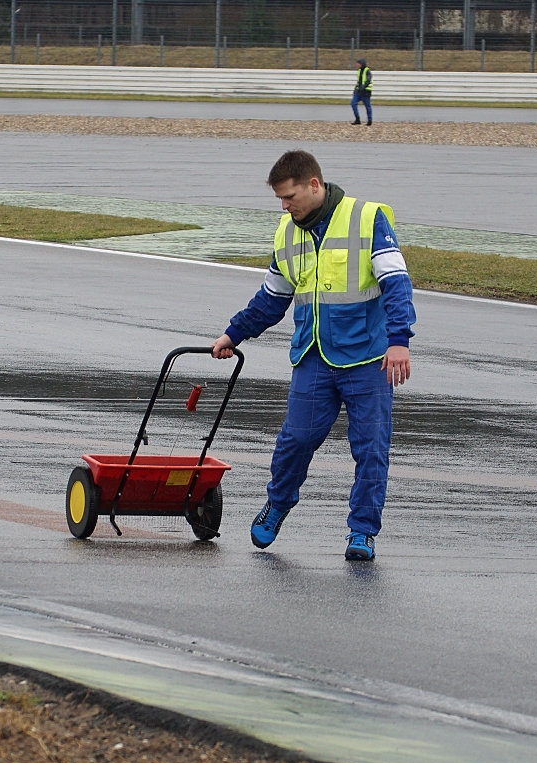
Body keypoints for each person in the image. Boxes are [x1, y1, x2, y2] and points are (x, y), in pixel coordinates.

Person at [211, 150, 415, 561]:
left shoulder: (367, 218)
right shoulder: (287, 233)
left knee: (371, 449)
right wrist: (234, 333)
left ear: (314, 185)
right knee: (296, 440)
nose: (285, 207)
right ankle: (278, 504)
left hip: (368, 358)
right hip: (313, 355)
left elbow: (396, 282)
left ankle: (362, 532)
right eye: (280, 200)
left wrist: (399, 341)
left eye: (289, 197)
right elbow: (272, 299)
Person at [351, 58, 373, 126]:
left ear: (362, 64)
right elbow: (358, 81)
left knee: (367, 106)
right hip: (358, 92)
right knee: (353, 103)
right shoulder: (359, 71)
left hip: (365, 92)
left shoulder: (367, 71)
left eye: (358, 63)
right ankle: (357, 119)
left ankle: (369, 120)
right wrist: (355, 89)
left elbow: (368, 80)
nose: (357, 65)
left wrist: (363, 87)